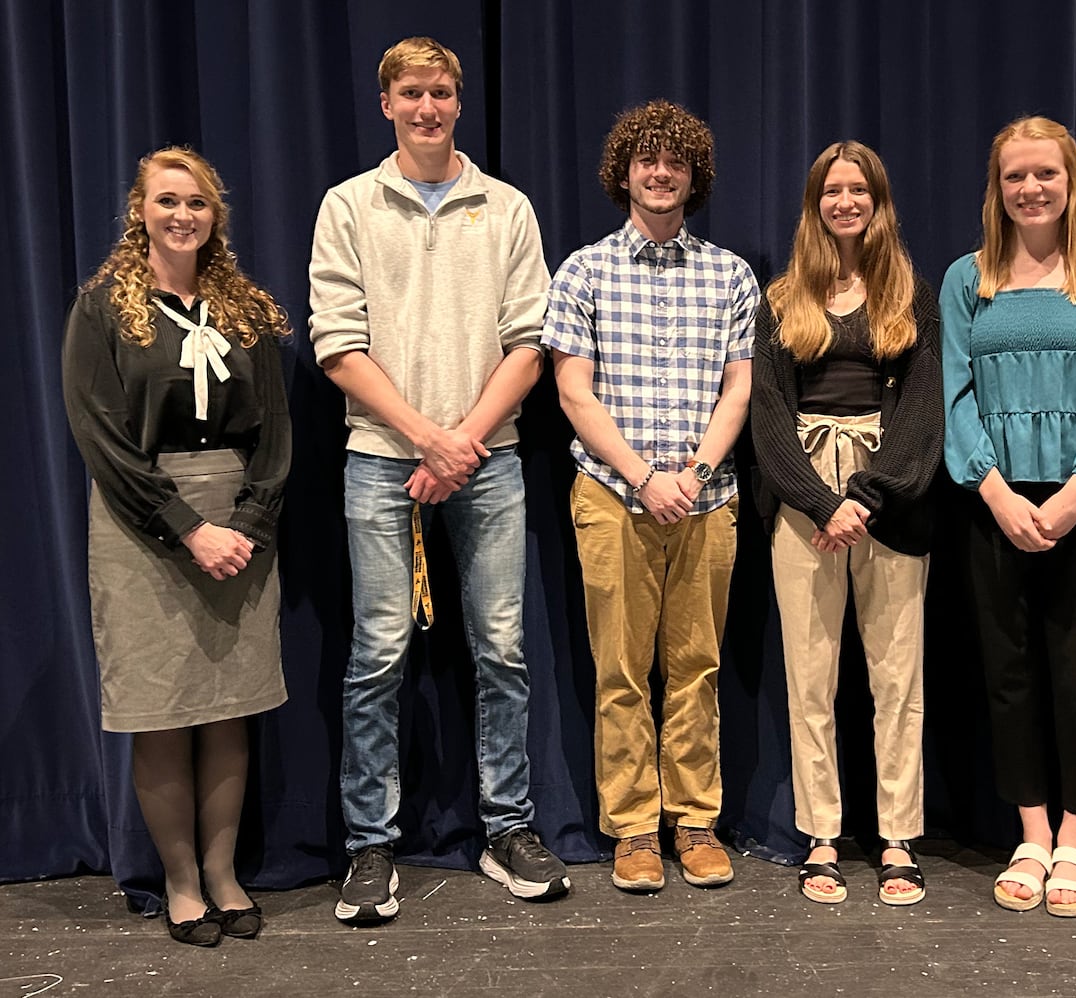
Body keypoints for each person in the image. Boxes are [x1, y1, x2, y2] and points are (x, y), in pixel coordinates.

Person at [308, 36, 568, 922]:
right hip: (382, 458)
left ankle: (508, 830)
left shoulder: (506, 209)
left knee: (501, 648)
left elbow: (531, 342)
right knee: (379, 652)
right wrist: (426, 439)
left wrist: (463, 441)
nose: (428, 107)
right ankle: (370, 847)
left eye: (442, 93)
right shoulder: (349, 205)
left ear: (460, 102)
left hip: (489, 460)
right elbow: (336, 343)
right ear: (386, 103)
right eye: (412, 93)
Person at [62, 147, 292, 947]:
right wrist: (188, 528)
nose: (183, 215)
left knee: (228, 709)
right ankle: (182, 883)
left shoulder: (246, 311)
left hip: (237, 522)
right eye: (168, 202)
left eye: (196, 203)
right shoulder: (104, 309)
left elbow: (273, 433)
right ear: (141, 212)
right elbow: (99, 434)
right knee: (163, 712)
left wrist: (246, 527)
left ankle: (226, 874)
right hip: (143, 521)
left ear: (214, 215)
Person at [544, 99, 758, 893]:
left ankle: (695, 820)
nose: (660, 172)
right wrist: (642, 476)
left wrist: (695, 474)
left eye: (675, 161)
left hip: (708, 496)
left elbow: (739, 390)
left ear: (694, 175)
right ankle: (635, 828)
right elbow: (573, 391)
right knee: (622, 670)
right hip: (611, 494)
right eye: (646, 159)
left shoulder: (731, 274)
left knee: (697, 666)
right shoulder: (584, 270)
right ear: (623, 173)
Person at [941, 117, 1076, 918]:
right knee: (1009, 673)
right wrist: (995, 491)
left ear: (1072, 183)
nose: (1031, 189)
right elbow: (952, 393)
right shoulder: (967, 280)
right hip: (995, 502)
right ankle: (1029, 832)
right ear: (996, 188)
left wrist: (1075, 492)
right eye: (1014, 177)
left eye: (1045, 175)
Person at [751, 141, 941, 906]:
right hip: (804, 505)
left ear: (879, 201)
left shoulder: (911, 295)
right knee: (811, 679)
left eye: (859, 190)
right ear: (814, 204)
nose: (845, 202)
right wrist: (821, 502)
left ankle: (898, 835)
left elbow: (924, 413)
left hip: (887, 505)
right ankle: (822, 834)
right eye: (832, 191)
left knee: (898, 680)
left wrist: (868, 494)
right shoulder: (781, 298)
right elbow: (767, 419)